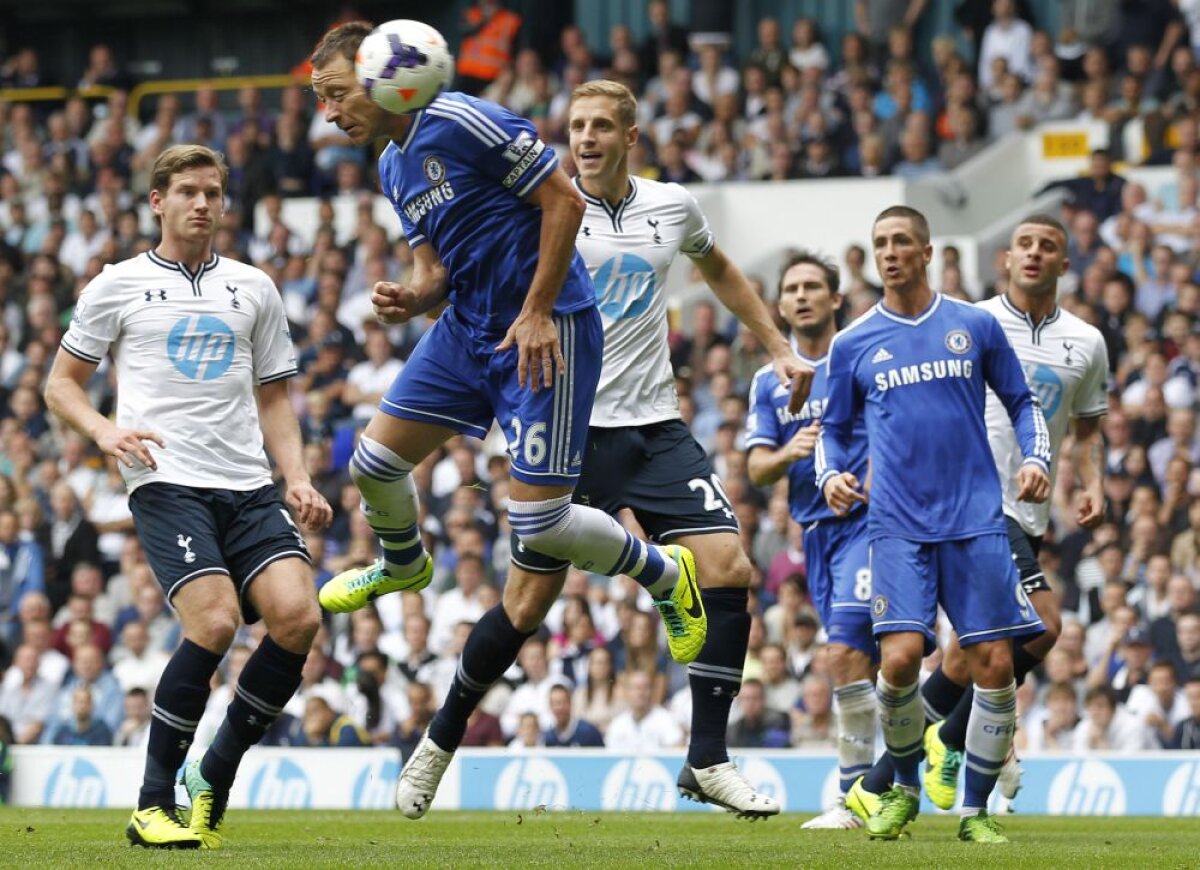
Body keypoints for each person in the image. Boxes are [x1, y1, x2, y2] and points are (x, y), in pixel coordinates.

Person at [309, 30, 804, 818]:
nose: (585, 140)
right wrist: (414, 295)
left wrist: (776, 345)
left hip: (635, 414)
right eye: (576, 128)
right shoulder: (399, 164)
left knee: (732, 570)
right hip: (521, 369)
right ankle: (438, 733)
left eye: (601, 128)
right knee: (514, 597)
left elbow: (716, 271)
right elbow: (442, 265)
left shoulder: (661, 205)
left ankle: (707, 758)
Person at [44, 144, 332, 850]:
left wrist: (295, 475)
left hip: (247, 482)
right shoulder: (117, 284)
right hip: (165, 478)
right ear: (157, 201)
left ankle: (215, 770)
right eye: (188, 192)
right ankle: (151, 803)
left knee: (298, 618)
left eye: (213, 192)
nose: (202, 204)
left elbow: (275, 397)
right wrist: (104, 431)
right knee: (214, 622)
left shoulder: (254, 287)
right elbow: (60, 384)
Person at [851, 214, 1110, 814]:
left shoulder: (1087, 341)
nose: (1035, 255)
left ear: (1064, 263)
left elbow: (1089, 425)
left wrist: (1091, 481)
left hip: (1032, 510)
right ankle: (944, 741)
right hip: (974, 502)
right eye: (1024, 245)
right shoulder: (972, 322)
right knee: (1044, 625)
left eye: (1048, 247)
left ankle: (878, 782)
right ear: (1006, 258)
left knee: (971, 656)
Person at [817, 205, 1051, 843]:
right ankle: (903, 790)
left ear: (925, 251)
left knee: (995, 663)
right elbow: (833, 431)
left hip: (975, 519)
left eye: (901, 243)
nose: (889, 253)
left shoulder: (972, 325)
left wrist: (1035, 456)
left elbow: (1023, 401)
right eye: (880, 244)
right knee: (896, 662)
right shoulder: (853, 341)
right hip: (895, 523)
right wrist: (830, 474)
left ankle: (975, 813)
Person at [746, 252, 875, 829]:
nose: (802, 296)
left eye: (813, 287)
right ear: (779, 305)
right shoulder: (765, 380)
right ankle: (926, 743)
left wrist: (862, 481)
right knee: (868, 663)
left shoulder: (862, 361)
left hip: (870, 524)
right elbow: (754, 470)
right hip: (815, 534)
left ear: (835, 299)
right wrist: (787, 454)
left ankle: (852, 799)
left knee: (846, 652)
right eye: (792, 288)